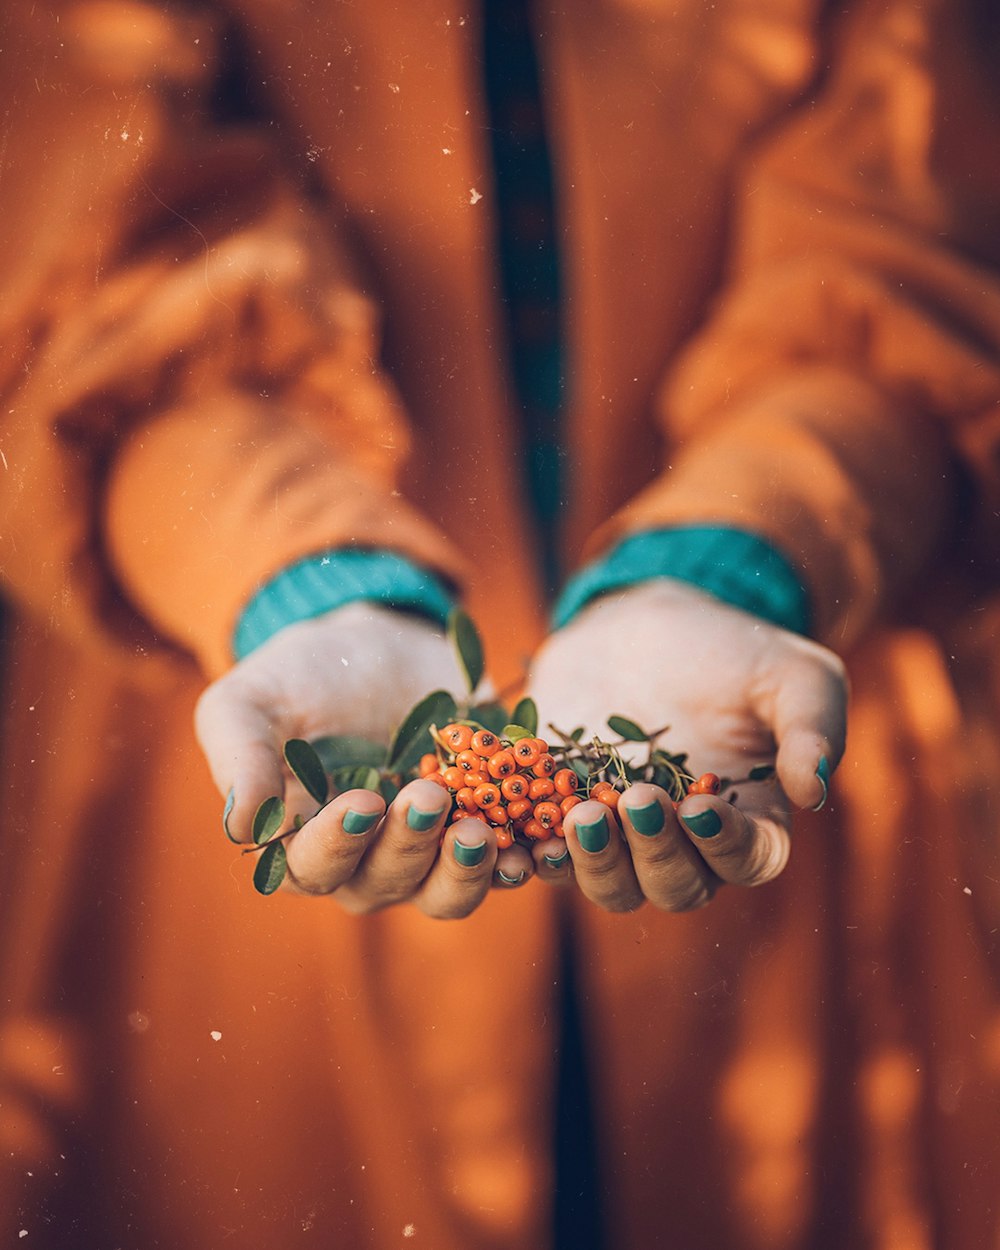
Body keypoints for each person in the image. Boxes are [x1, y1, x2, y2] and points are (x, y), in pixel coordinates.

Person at [2, 0, 1000, 1246]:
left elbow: (915, 254)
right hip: (230, 728)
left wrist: (735, 559)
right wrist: (297, 575)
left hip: (791, 721)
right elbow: (71, 280)